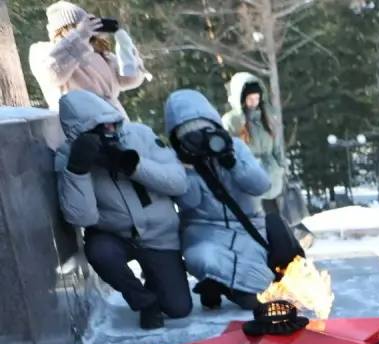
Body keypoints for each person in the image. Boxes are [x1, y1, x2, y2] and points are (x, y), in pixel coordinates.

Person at [55, 90, 189, 329]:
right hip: (114, 236)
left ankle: (157, 282)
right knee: (100, 252)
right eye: (100, 128)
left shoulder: (140, 135)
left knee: (179, 308)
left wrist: (134, 165)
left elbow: (178, 182)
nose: (109, 132)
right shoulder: (68, 157)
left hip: (159, 235)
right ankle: (144, 302)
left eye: (112, 124)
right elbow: (82, 217)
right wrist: (79, 170)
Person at [164, 89, 273, 310]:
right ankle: (221, 285)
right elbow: (189, 203)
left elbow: (261, 185)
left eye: (208, 132)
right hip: (203, 230)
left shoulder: (236, 147)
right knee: (202, 257)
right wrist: (190, 169)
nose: (203, 143)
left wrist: (232, 163)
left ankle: (222, 285)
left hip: (248, 227)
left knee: (259, 277)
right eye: (192, 138)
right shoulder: (176, 161)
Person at [29, 2, 145, 118]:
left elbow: (130, 80)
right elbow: (52, 74)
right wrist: (78, 36)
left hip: (114, 121)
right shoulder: (43, 51)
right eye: (77, 26)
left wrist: (127, 52)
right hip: (78, 123)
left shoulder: (98, 53)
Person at [220, 72, 286, 217]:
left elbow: (277, 147)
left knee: (275, 223)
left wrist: (282, 168)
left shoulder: (268, 117)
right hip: (248, 179)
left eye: (257, 98)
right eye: (250, 98)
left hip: (272, 179)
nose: (254, 102)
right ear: (242, 98)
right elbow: (228, 151)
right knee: (256, 223)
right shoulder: (231, 121)